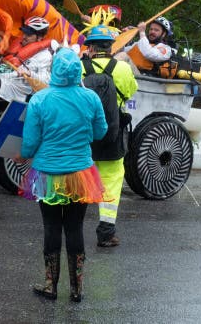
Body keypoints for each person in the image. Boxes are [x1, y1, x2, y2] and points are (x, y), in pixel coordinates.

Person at [17, 48, 107, 302]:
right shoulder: (91, 98)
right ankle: (77, 289)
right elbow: (100, 132)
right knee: (75, 228)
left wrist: (21, 154)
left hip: (48, 174)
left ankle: (50, 285)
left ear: (54, 69)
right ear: (78, 68)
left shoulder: (40, 99)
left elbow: (30, 144)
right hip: (81, 173)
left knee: (52, 227)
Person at [81, 24, 138, 248]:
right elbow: (131, 91)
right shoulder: (123, 69)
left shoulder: (80, 67)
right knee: (112, 182)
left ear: (91, 47)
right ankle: (106, 232)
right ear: (110, 46)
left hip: (84, 136)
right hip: (113, 135)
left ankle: (70, 226)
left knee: (78, 178)